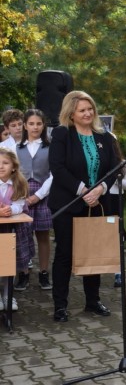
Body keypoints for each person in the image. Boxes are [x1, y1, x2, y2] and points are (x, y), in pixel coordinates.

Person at [48, 90, 120, 322]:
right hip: (68, 203)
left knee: (93, 253)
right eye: (82, 110)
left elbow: (114, 168)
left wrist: (100, 189)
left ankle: (92, 300)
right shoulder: (61, 135)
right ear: (71, 114)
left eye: (90, 109)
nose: (88, 113)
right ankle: (60, 305)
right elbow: (57, 168)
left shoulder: (104, 136)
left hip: (98, 203)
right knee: (64, 255)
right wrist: (83, 190)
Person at [14, 109, 54, 291]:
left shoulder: (50, 146)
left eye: (39, 123)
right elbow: (12, 174)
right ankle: (23, 273)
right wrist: (22, 196)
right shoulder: (17, 147)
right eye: (31, 123)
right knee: (22, 236)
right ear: (25, 126)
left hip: (43, 193)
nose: (35, 127)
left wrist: (38, 196)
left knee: (43, 235)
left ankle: (44, 273)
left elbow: (54, 174)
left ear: (43, 125)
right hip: (21, 194)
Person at [0, 146, 29, 311]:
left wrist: (10, 210)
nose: (1, 166)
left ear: (14, 167)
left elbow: (20, 204)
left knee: (8, 264)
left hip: (12, 231)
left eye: (5, 163)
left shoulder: (19, 184)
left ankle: (7, 294)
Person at [105, 138, 126, 288]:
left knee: (116, 234)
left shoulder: (122, 163)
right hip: (102, 201)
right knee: (103, 234)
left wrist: (119, 181)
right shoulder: (99, 161)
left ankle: (118, 272)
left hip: (115, 202)